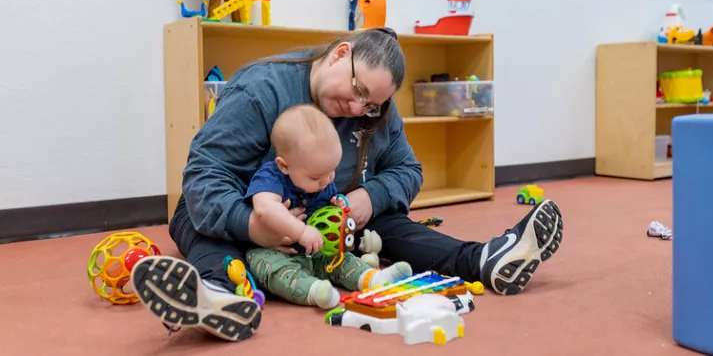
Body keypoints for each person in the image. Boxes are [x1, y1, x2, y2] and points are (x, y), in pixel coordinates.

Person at [131, 27, 564, 342]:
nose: (357, 106)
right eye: (357, 90)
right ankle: (216, 293)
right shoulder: (260, 89)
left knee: (389, 221)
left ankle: (484, 260)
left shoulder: (376, 110)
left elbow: (406, 171)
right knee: (200, 220)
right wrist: (254, 226)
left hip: (325, 225)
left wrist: (366, 197)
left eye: (371, 103)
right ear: (340, 54)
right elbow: (205, 174)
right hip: (247, 216)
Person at [244, 103, 413, 309]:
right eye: (316, 177)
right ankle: (315, 291)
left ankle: (373, 279)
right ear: (284, 165)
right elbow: (265, 208)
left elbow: (329, 200)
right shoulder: (270, 177)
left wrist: (338, 203)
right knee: (269, 267)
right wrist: (300, 231)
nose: (326, 181)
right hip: (279, 251)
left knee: (343, 259)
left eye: (331, 171)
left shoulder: (322, 177)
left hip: (318, 251)